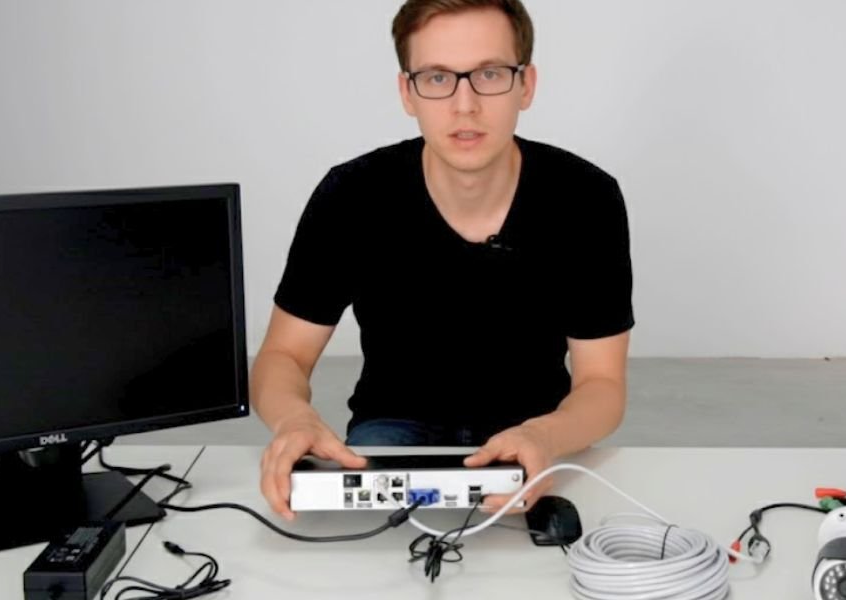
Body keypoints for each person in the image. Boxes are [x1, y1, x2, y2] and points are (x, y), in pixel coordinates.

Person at [252, 0, 633, 521]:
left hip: (536, 430)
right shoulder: (352, 194)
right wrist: (293, 420)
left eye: (490, 74)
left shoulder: (586, 197)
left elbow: (602, 386)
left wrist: (545, 434)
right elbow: (283, 356)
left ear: (527, 84)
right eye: (437, 78)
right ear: (407, 92)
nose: (465, 105)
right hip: (394, 429)